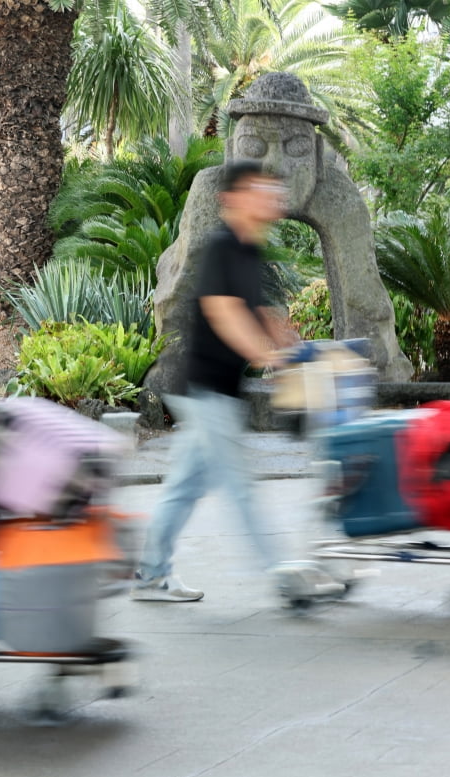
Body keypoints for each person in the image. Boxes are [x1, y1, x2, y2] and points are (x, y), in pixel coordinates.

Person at [133, 161, 296, 602]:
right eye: (261, 189)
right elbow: (225, 314)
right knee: (240, 487)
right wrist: (266, 356)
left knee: (184, 488)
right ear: (234, 199)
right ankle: (285, 579)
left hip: (218, 390)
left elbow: (260, 311)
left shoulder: (249, 250)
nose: (272, 197)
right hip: (206, 390)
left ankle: (149, 576)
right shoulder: (221, 247)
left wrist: (293, 348)